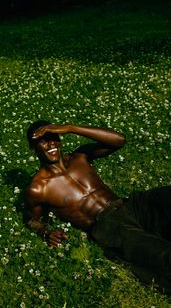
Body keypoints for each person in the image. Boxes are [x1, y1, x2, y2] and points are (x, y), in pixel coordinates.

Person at [25, 120, 171, 292]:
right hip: (107, 224)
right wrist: (46, 232)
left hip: (129, 204)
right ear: (33, 148)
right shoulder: (39, 188)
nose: (50, 143)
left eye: (53, 137)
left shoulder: (79, 157)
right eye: (43, 140)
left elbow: (119, 140)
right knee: (161, 254)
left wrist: (72, 128)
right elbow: (31, 218)